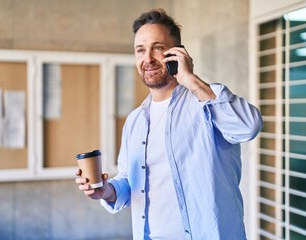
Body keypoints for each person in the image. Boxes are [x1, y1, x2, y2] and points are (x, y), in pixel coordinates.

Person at [75, 8, 263, 240]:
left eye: (157, 48)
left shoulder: (208, 100)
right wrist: (107, 191)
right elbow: (129, 182)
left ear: (178, 53)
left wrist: (190, 79)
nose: (148, 58)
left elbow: (248, 127)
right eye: (140, 50)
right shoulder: (134, 121)